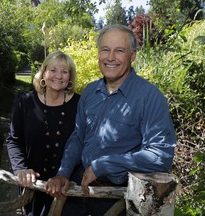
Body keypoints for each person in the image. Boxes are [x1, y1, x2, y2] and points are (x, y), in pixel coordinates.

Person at [45, 24, 176, 216]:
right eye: (105, 50)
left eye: (119, 51)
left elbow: (161, 155)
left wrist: (106, 164)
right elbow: (78, 137)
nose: (111, 57)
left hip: (117, 197)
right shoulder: (90, 92)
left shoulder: (150, 97)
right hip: (78, 187)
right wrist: (63, 172)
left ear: (132, 56)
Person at [6, 50, 80, 216]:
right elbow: (13, 140)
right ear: (44, 73)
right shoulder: (25, 102)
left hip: (66, 188)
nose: (58, 76)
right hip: (33, 185)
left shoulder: (79, 104)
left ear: (70, 77)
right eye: (53, 70)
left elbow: (82, 143)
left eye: (65, 71)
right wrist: (21, 169)